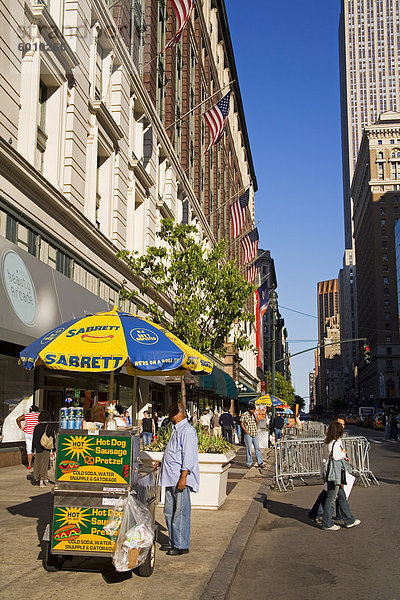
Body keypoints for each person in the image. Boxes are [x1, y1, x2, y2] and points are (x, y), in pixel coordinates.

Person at [158, 402, 199, 555]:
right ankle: (173, 540)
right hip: (170, 477)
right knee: (169, 511)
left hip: (179, 478)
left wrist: (184, 477)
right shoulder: (176, 429)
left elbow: (188, 455)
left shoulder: (187, 431)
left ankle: (181, 544)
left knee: (180, 512)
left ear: (179, 413)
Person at [321, 421, 360, 531]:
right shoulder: (336, 442)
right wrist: (343, 452)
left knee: (342, 497)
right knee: (331, 498)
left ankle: (349, 520)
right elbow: (336, 456)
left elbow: (326, 457)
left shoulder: (327, 441)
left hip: (330, 472)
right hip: (335, 473)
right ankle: (327, 523)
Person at [308, 417, 346, 523]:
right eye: (340, 425)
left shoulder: (332, 439)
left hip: (333, 470)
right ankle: (321, 515)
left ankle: (340, 516)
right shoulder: (333, 441)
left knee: (335, 494)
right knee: (330, 495)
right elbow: (335, 456)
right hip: (332, 471)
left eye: (343, 425)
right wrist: (343, 453)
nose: (342, 427)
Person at [32, 411, 56, 487]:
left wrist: (33, 450)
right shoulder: (49, 426)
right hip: (46, 448)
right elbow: (52, 438)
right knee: (44, 464)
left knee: (37, 463)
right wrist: (53, 449)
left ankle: (37, 477)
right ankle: (42, 480)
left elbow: (34, 439)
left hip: (38, 447)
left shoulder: (37, 426)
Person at [16, 405, 40, 470]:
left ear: (30, 409)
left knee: (29, 449)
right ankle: (36, 464)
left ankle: (29, 465)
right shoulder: (38, 415)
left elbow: (18, 419)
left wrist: (21, 427)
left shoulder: (26, 415)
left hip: (27, 434)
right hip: (35, 434)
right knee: (36, 449)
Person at [241, 403, 263, 468]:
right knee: (249, 449)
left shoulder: (255, 414)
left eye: (253, 410)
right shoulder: (244, 414)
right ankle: (249, 463)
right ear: (249, 409)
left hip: (255, 433)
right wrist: (246, 431)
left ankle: (260, 462)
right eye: (251, 410)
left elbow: (258, 422)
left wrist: (255, 416)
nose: (252, 411)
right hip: (248, 433)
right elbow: (241, 423)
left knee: (257, 448)